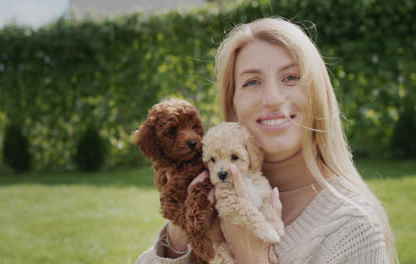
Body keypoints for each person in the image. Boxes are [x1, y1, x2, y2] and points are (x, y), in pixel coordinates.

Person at [136, 17, 397, 264]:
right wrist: (178, 238)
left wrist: (253, 257)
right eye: (252, 82)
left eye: (291, 77)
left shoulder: (354, 226)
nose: (272, 97)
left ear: (318, 96)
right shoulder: (210, 189)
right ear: (233, 104)